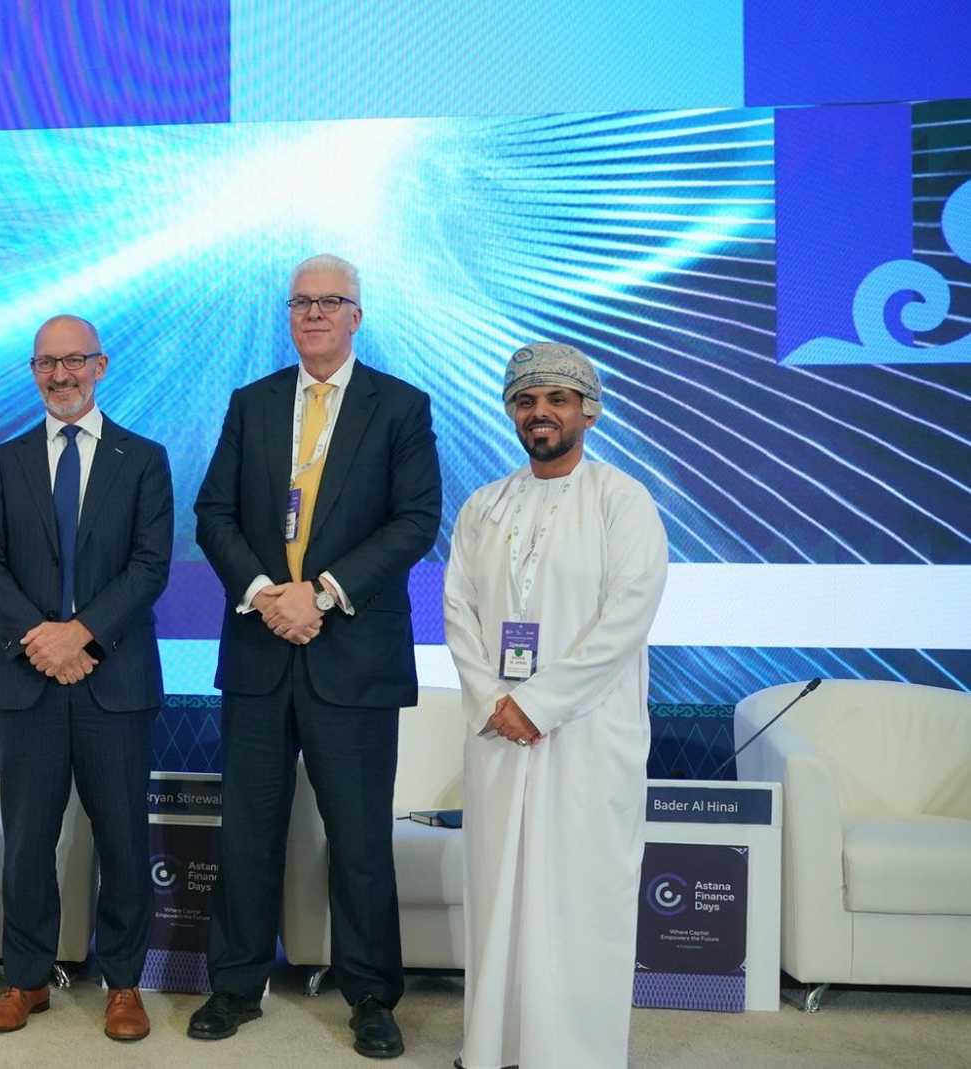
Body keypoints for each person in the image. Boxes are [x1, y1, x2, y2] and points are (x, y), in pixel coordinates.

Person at [191, 254, 441, 1058]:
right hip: (260, 647)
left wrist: (322, 593)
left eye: (331, 301)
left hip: (354, 653)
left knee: (360, 838)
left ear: (357, 316)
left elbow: (415, 520)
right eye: (301, 302)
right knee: (246, 831)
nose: (315, 313)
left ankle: (370, 996)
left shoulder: (400, 406)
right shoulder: (253, 402)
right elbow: (214, 512)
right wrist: (267, 592)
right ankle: (235, 986)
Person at [443, 342, 668, 1069]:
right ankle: (494, 1048)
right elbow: (458, 610)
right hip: (498, 732)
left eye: (556, 399)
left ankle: (575, 1054)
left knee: (580, 893)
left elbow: (626, 618)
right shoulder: (484, 505)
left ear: (588, 411)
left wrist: (538, 704)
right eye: (526, 400)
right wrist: (494, 699)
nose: (539, 412)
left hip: (586, 733)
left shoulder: (622, 500)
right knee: (498, 890)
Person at [0, 315, 174, 1042]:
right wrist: (41, 639)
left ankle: (123, 984)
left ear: (100, 365)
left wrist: (79, 634)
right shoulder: (3, 462)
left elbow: (149, 565)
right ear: (33, 371)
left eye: (74, 361)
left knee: (122, 838)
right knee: (27, 839)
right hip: (26, 681)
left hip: (113, 680)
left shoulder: (143, 458)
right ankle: (26, 978)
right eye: (46, 363)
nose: (61, 375)